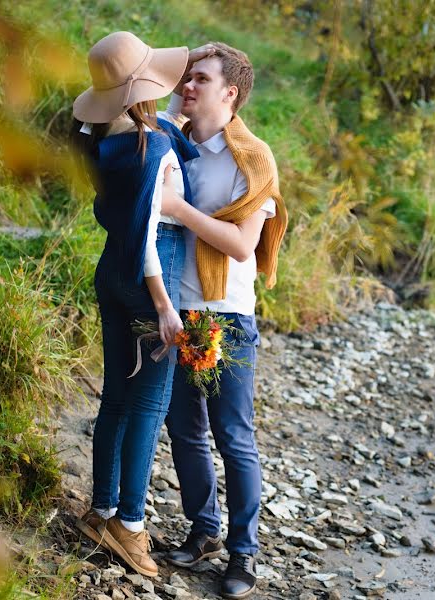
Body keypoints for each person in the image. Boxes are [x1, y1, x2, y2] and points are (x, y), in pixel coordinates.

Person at [69, 31, 212, 577]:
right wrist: (164, 307)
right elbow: (151, 235)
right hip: (151, 276)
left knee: (116, 397)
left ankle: (100, 510)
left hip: (112, 272)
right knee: (149, 406)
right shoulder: (154, 152)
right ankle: (130, 528)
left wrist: (186, 68)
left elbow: (159, 119)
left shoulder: (110, 135)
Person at [156, 42, 287, 599]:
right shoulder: (173, 141)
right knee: (183, 429)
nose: (187, 86)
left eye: (200, 79)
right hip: (175, 309)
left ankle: (243, 554)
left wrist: (179, 210)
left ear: (230, 93)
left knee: (233, 437)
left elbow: (239, 245)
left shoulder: (251, 159)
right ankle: (204, 529)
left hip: (227, 315)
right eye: (186, 77)